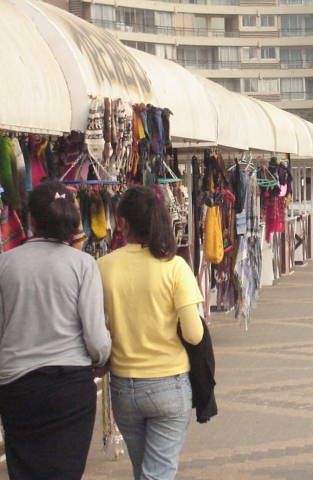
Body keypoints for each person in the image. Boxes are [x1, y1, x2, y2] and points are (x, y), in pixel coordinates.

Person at [0, 181, 111, 480]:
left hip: (17, 388)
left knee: (24, 470)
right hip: (70, 388)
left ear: (30, 219)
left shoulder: (5, 264)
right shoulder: (84, 265)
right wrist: (102, 359)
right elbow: (97, 339)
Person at [97, 186, 204, 480]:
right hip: (169, 384)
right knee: (157, 474)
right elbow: (194, 334)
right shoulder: (175, 267)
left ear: (122, 223)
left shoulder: (102, 267)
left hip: (123, 385)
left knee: (143, 470)